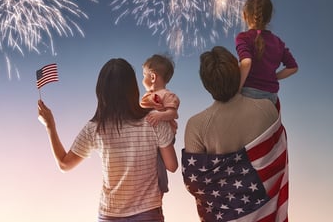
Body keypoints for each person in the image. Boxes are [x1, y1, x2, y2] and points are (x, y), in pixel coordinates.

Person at [38, 58, 178, 222]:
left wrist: (50, 126)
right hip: (148, 212)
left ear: (101, 91)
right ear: (133, 89)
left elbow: (64, 164)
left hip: (110, 214)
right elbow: (172, 166)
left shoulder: (95, 128)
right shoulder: (154, 121)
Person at [182, 46, 289, 222]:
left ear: (206, 84)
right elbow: (278, 157)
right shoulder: (267, 109)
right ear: (237, 73)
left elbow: (195, 183)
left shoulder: (196, 126)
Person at [235, 0, 298, 108]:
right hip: (271, 97)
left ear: (244, 15)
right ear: (269, 19)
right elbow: (293, 67)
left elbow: (246, 62)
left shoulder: (243, 37)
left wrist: (237, 90)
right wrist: (273, 76)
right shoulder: (278, 42)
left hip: (249, 93)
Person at [140, 54, 180, 196]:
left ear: (152, 77)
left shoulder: (167, 95)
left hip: (166, 136)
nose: (142, 79)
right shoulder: (148, 95)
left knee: (159, 162)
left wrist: (160, 115)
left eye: (144, 75)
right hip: (154, 136)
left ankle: (161, 185)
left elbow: (173, 113)